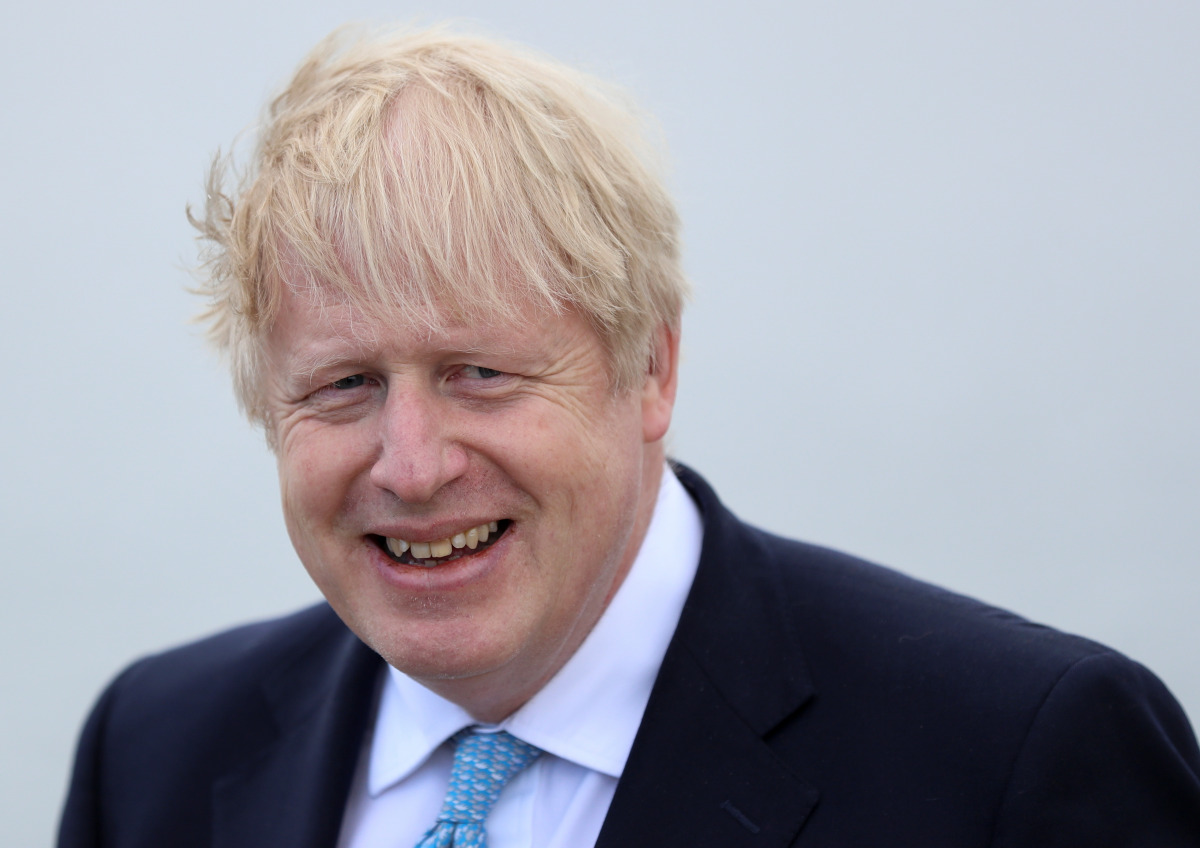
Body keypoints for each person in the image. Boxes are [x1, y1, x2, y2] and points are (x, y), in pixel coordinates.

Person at [58, 24, 1200, 848]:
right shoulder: (154, 753)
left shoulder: (1011, 761)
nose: (411, 462)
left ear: (650, 365)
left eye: (482, 374)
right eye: (346, 385)